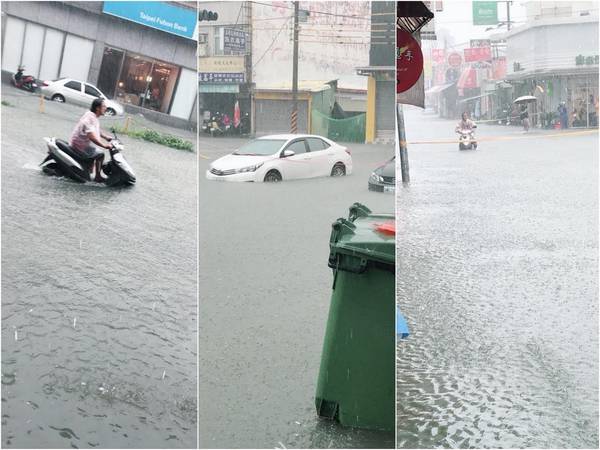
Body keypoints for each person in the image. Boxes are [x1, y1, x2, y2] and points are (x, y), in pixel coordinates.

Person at [69, 98, 113, 181]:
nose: (105, 108)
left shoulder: (93, 116)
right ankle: (98, 177)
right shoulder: (90, 118)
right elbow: (91, 136)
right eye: (103, 106)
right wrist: (104, 145)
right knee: (100, 154)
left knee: (95, 154)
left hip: (82, 144)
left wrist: (106, 137)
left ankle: (88, 169)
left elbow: (96, 129)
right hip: (79, 145)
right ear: (97, 108)